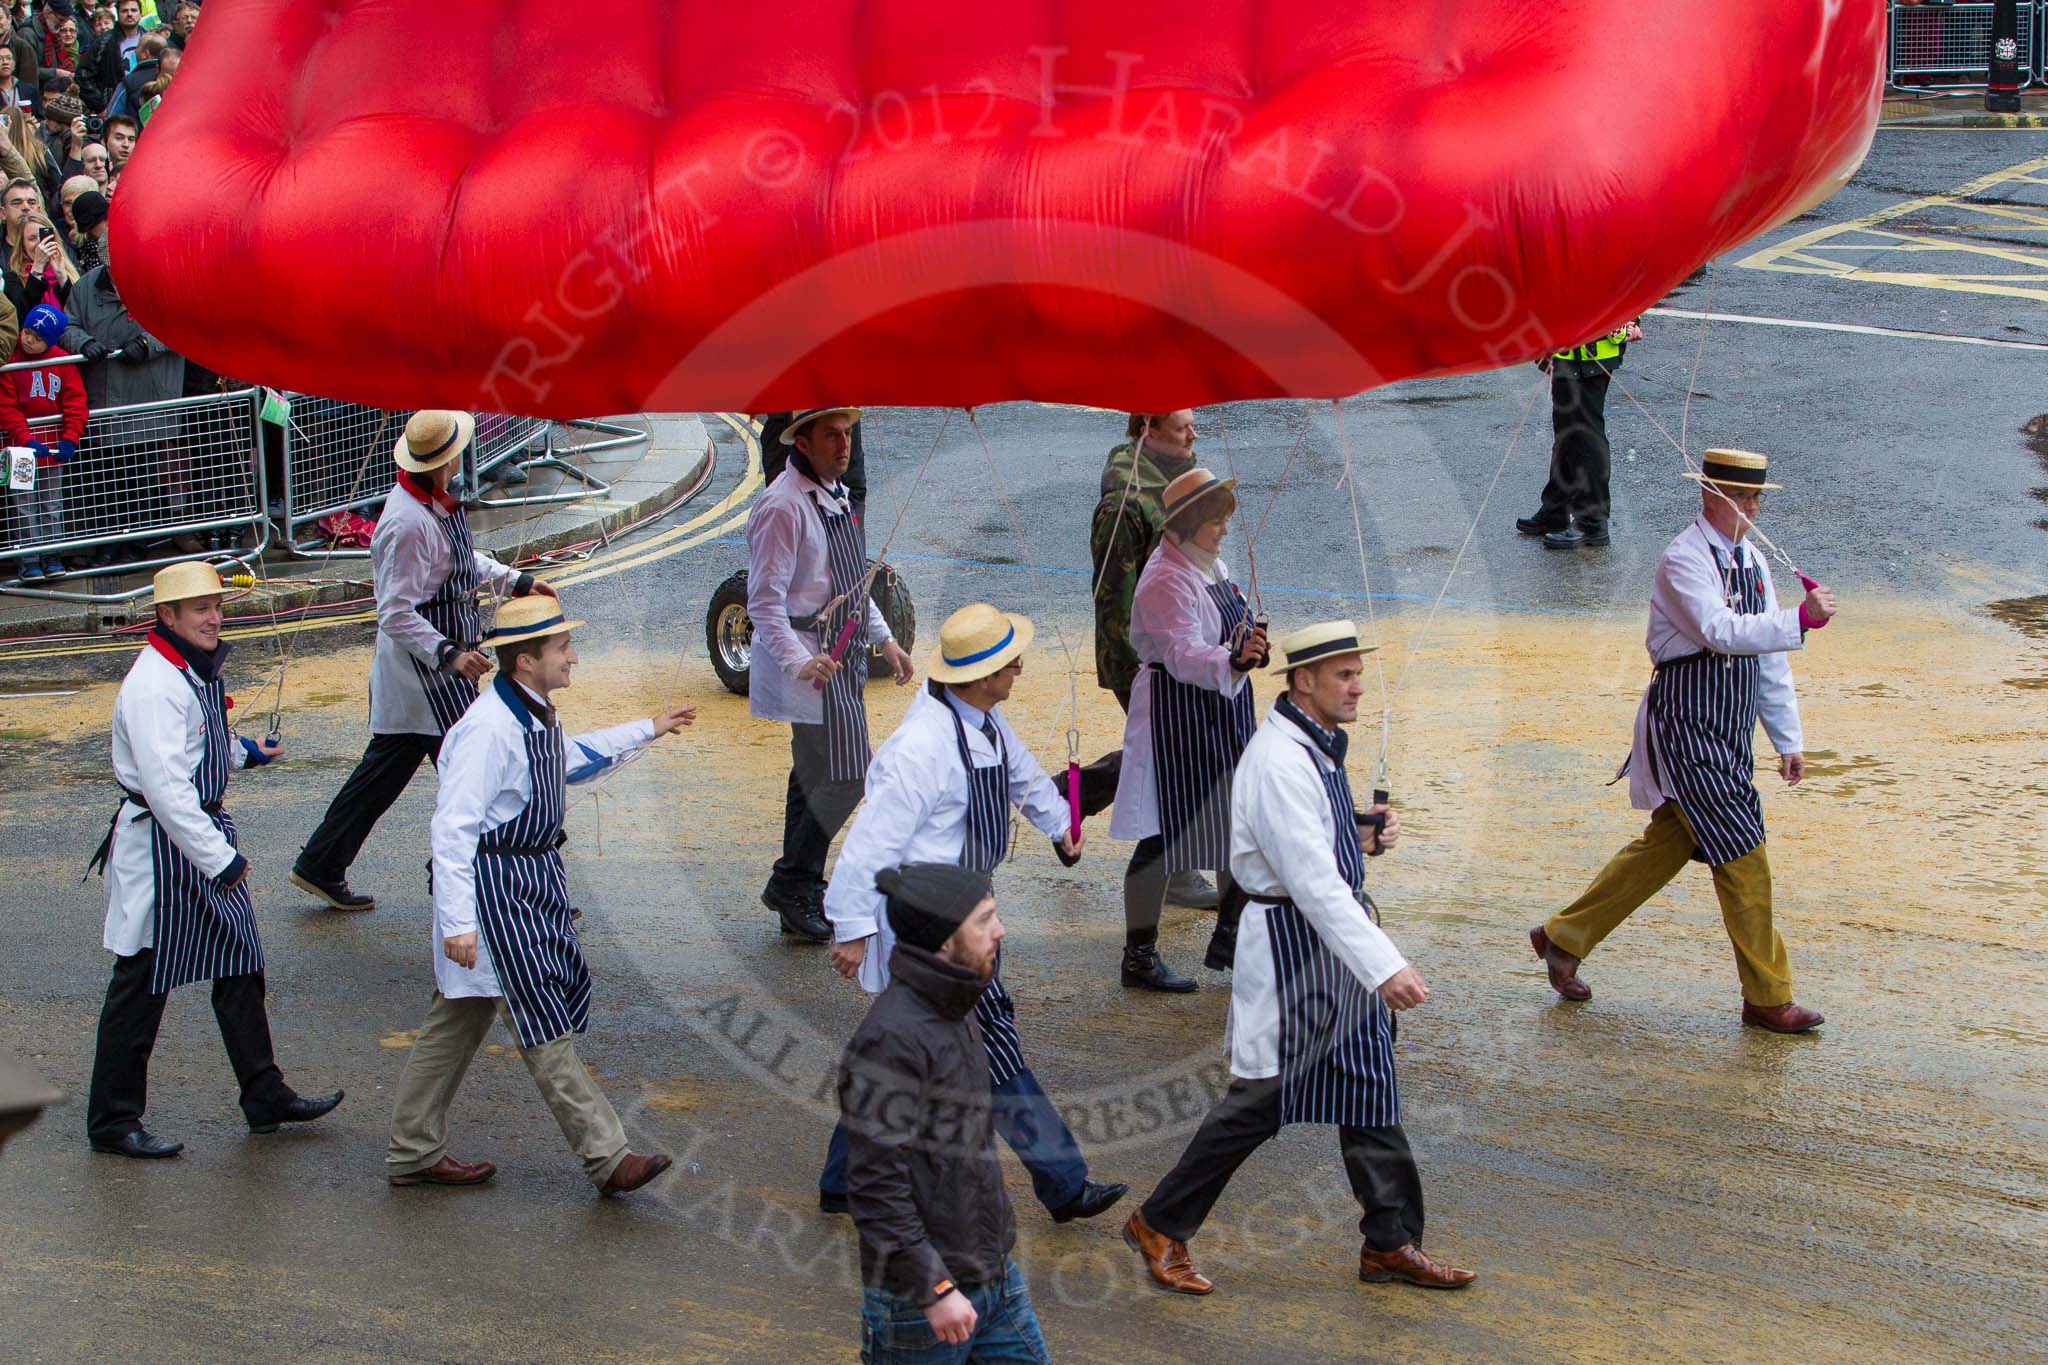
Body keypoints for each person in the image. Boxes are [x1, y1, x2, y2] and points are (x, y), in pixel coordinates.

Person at [1126, 620, 1477, 1295]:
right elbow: (1312, 881)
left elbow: (1316, 843)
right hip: (1293, 950)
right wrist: (1386, 964)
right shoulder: (1280, 758)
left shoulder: (1311, 744)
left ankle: (1390, 1241)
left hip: (1326, 945)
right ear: (1302, 680)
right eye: (1342, 674)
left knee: (1371, 1088)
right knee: (1261, 1100)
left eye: (1357, 672)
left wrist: (1361, 831)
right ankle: (1158, 1222)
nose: (1356, 685)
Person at [820, 603, 1124, 1226]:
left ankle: (841, 1180)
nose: (1018, 668)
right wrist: (851, 929)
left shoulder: (983, 719)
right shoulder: (920, 748)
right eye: (1009, 662)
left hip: (966, 906)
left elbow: (1024, 777)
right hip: (936, 924)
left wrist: (1060, 823)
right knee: (995, 1044)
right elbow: (868, 846)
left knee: (897, 1054)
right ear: (984, 676)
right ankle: (1064, 1182)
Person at [386, 594, 695, 1194]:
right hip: (495, 893)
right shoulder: (488, 729)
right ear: (525, 661)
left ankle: (412, 1150)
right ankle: (608, 1157)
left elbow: (568, 760)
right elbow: (451, 830)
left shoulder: (529, 711)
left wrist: (648, 729)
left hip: (523, 883)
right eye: (562, 648)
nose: (573, 656)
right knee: (540, 1019)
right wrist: (457, 923)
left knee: (457, 1020)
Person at [1530, 449, 1838, 1033]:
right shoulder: (1682, 559)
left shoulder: (1751, 561)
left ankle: (1563, 936)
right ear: (1710, 497)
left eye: (1756, 499)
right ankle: (1768, 996)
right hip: (1687, 728)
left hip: (1728, 728)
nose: (1752, 510)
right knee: (1744, 853)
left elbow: (1766, 658)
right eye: (1742, 499)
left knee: (1668, 843)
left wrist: (1787, 738)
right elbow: (1720, 632)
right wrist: (1802, 619)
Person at [84, 561, 345, 1159]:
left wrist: (245, 751)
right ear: (167, 616)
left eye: (217, 606)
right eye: (198, 608)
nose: (212, 617)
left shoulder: (187, 670)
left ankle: (264, 1095)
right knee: (141, 982)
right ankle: (111, 1122)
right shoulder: (154, 685)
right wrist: (220, 860)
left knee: (239, 962)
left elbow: (201, 744)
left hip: (192, 835)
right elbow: (168, 790)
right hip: (162, 847)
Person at [291, 410, 555, 911]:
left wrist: (515, 580)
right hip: (425, 677)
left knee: (385, 774)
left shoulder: (431, 505)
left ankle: (321, 863)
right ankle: (510, 882)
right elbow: (393, 611)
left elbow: (459, 562)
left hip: (431, 673)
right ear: (445, 461)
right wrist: (451, 654)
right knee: (487, 772)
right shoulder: (406, 524)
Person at [840, 863, 1054, 1363]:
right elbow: (875, 1187)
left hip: (992, 1275)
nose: (999, 930)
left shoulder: (958, 1004)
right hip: (919, 1304)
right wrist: (934, 1287)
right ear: (942, 940)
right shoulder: (890, 1041)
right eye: (985, 919)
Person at [745, 405, 913, 941]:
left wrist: (886, 640)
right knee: (848, 776)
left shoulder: (836, 496)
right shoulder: (782, 507)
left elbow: (852, 584)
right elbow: (763, 604)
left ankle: (801, 889)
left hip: (842, 660)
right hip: (810, 666)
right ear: (803, 444)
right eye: (831, 436)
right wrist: (799, 661)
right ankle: (792, 881)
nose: (843, 446)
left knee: (813, 775)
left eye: (847, 435)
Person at [1110, 468, 1268, 992]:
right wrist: (1233, 661)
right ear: (1187, 524)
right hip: (1176, 717)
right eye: (1216, 521)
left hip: (1218, 709)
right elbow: (1180, 654)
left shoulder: (1205, 562)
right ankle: (1139, 956)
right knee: (1162, 834)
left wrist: (1248, 646)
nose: (1225, 529)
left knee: (1236, 823)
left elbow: (1224, 623)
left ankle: (1234, 938)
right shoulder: (1163, 580)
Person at [1088, 409, 1221, 910]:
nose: (1194, 432)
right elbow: (1112, 592)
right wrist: (1135, 666)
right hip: (1146, 653)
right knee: (1176, 754)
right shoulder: (1125, 500)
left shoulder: (1175, 474)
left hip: (1184, 640)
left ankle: (1072, 795)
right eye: (1182, 425)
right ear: (1148, 429)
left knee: (1171, 751)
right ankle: (1181, 871)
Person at [1516, 318, 1643, 549]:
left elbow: (1624, 285)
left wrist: (1629, 319)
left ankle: (1592, 522)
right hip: (1568, 350)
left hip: (1590, 353)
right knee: (1567, 434)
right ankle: (1556, 509)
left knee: (1585, 438)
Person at [1, 301, 84, 579]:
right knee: (23, 504)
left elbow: (75, 402)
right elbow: (7, 407)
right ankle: (29, 557)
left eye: (37, 338)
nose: (28, 340)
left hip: (51, 447)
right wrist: (24, 438)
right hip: (20, 450)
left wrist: (71, 437)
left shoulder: (61, 362)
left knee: (51, 503)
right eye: (26, 333)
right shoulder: (11, 362)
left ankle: (51, 552)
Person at [8, 210, 73, 317]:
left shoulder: (70, 273)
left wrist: (61, 275)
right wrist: (37, 268)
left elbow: (78, 313)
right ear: (22, 245)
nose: (40, 244)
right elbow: (21, 315)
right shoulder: (12, 278)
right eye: (32, 238)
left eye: (43, 236)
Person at [82, 0, 138, 112]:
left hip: (142, 103)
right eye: (124, 11)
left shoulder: (148, 39)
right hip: (113, 105)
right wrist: (101, 106)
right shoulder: (103, 42)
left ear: (140, 13)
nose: (129, 14)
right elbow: (83, 75)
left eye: (134, 10)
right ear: (118, 14)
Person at [63, 182, 100, 269]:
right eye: (68, 203)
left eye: (78, 203)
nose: (72, 209)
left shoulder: (100, 240)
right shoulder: (56, 235)